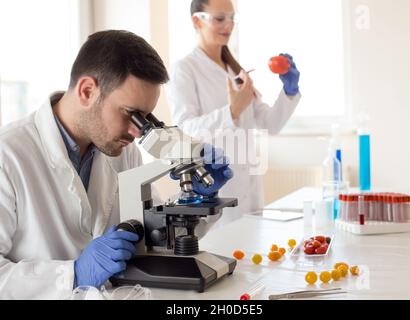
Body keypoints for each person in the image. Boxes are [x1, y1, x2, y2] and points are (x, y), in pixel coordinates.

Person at [0, 30, 232, 299]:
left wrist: (197, 200)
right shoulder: (9, 154)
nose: (137, 132)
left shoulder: (122, 149)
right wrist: (72, 274)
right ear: (87, 91)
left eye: (145, 118)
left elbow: (153, 235)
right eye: (130, 114)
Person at [166, 0, 301, 227]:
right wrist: (231, 112)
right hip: (216, 188)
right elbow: (184, 130)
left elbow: (271, 124)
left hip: (250, 188)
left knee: (253, 256)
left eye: (232, 18)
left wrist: (289, 91)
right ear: (196, 20)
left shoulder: (236, 71)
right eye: (220, 18)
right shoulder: (185, 69)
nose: (228, 25)